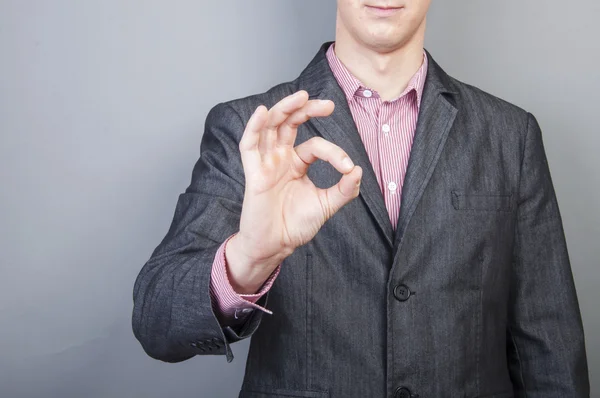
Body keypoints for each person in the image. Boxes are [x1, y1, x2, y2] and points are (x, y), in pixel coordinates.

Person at [132, 1, 589, 396]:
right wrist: (250, 258)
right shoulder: (253, 131)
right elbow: (156, 322)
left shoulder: (511, 137)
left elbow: (548, 348)